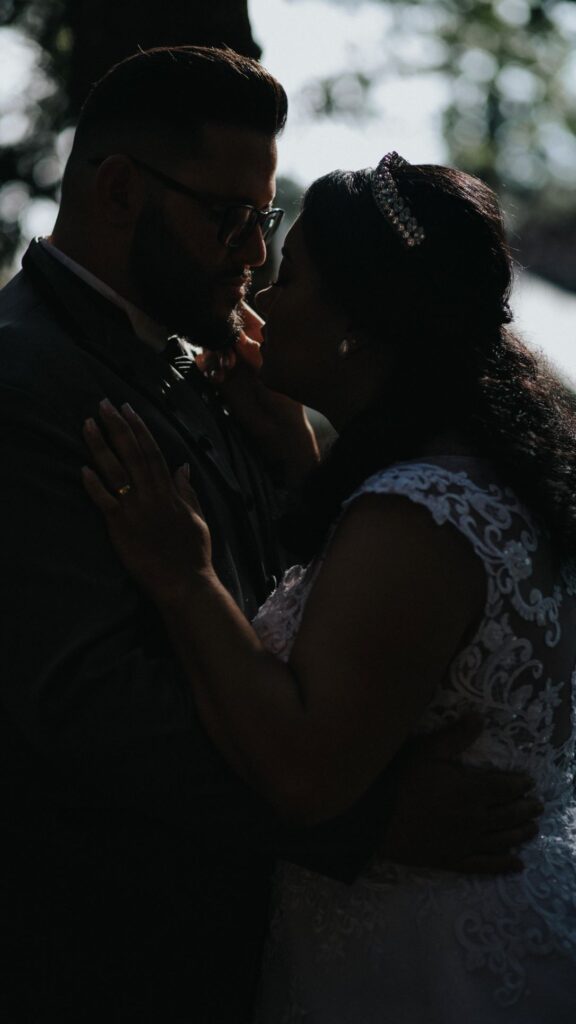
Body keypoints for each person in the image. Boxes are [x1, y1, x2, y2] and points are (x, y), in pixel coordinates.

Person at [0, 43, 536, 1021]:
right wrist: (362, 817)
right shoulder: (22, 380)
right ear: (119, 190)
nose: (253, 254)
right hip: (112, 956)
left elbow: (294, 593)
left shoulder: (205, 361)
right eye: (230, 217)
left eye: (268, 220)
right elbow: (91, 701)